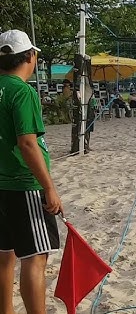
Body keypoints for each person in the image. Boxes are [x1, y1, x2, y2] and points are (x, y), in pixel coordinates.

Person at [0, 30, 63, 314]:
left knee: (4, 256)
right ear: (30, 56)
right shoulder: (21, 91)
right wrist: (48, 186)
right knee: (35, 257)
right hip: (22, 184)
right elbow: (27, 143)